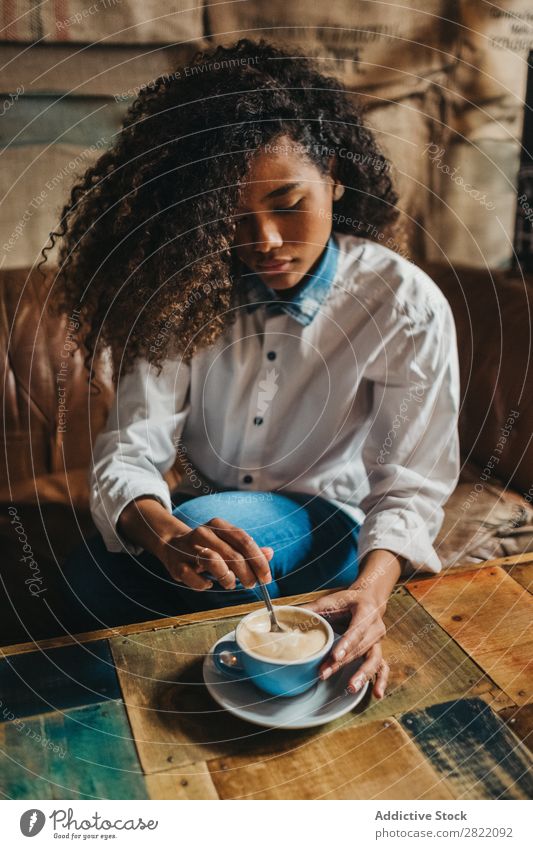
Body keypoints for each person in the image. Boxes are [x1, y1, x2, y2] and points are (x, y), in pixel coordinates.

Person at [48, 39, 460, 700]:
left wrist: (370, 595)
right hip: (208, 515)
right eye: (236, 218)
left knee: (125, 592)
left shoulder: (401, 302)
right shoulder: (183, 292)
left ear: (332, 176)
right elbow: (128, 451)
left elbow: (409, 486)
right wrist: (168, 533)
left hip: (331, 520)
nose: (263, 240)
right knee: (90, 578)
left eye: (289, 204)